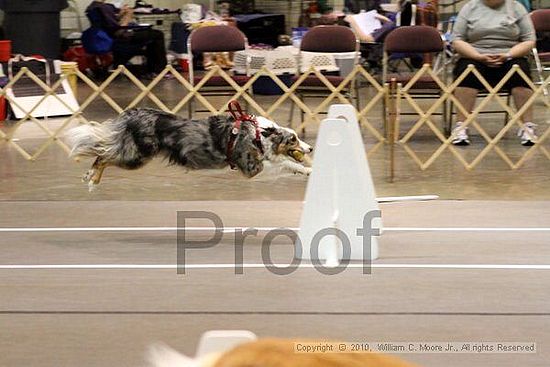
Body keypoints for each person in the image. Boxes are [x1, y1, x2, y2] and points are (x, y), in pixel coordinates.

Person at [451, 0, 537, 146]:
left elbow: (529, 40)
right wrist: (477, 56)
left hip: (510, 56)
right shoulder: (469, 8)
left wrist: (509, 55)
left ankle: (527, 127)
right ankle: (461, 127)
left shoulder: (516, 7)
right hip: (475, 55)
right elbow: (457, 39)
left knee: (520, 72)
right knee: (467, 72)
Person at [86, 0, 167, 78]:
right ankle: (159, 69)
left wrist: (120, 15)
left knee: (150, 34)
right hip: (119, 38)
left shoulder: (92, 7)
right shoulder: (103, 8)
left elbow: (109, 23)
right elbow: (117, 30)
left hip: (108, 37)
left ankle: (152, 70)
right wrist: (127, 17)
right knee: (157, 34)